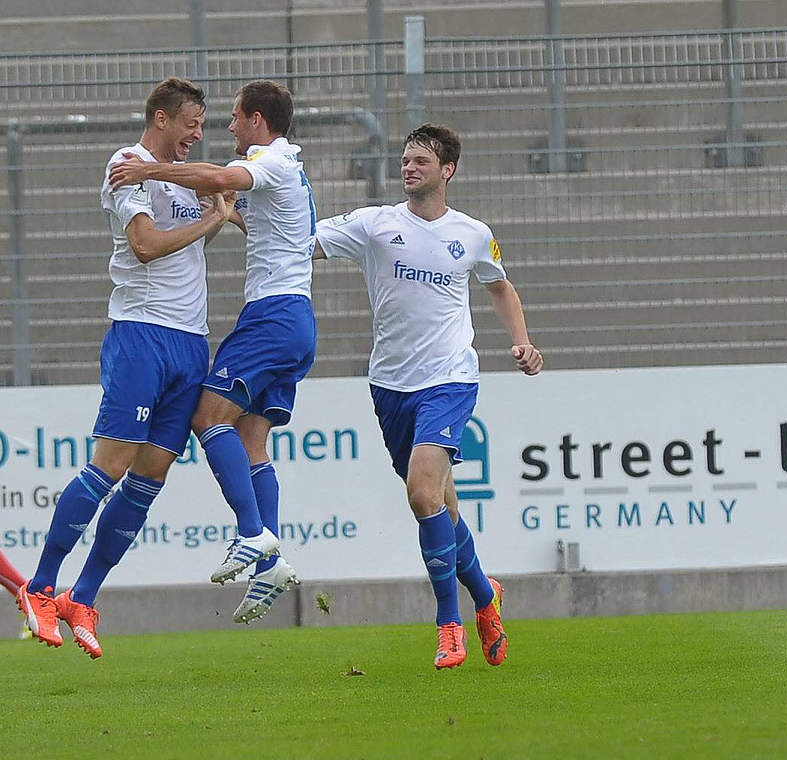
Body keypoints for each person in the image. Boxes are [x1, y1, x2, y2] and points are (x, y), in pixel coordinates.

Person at [313, 123, 542, 669]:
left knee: (421, 494)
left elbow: (499, 284)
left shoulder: (472, 233)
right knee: (441, 506)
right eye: (406, 158)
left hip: (449, 378)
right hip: (391, 384)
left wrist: (522, 342)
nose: (409, 166)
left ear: (448, 171)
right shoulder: (373, 224)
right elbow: (301, 242)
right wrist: (233, 213)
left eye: (421, 160)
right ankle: (486, 598)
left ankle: (449, 625)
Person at [17, 78, 231, 658]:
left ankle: (83, 596)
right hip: (141, 335)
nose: (197, 135)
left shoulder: (179, 179)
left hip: (191, 344)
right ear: (161, 118)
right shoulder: (129, 162)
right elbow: (145, 245)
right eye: (190, 123)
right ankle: (39, 588)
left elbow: (190, 240)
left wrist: (219, 209)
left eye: (203, 125)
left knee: (150, 477)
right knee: (109, 465)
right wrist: (214, 221)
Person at [109, 80, 315, 622]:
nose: (225, 128)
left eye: (233, 118)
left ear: (256, 120)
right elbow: (245, 212)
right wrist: (221, 210)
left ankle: (251, 534)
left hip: (273, 315)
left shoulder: (271, 160)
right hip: (294, 317)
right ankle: (270, 562)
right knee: (251, 435)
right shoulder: (285, 169)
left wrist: (149, 170)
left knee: (206, 414)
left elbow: (223, 176)